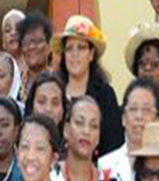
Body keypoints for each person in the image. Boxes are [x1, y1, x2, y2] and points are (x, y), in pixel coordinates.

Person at [53, 15, 124, 157]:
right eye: (69, 49)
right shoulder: (54, 91)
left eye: (81, 48)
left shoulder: (105, 94)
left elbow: (114, 145)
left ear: (91, 54)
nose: (74, 54)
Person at [99, 78, 159, 181]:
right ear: (123, 119)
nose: (139, 116)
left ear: (157, 119)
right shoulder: (104, 165)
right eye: (133, 109)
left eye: (146, 110)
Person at [17, 11, 53, 103]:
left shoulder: (59, 82)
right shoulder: (16, 83)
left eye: (37, 41)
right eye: (27, 42)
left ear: (49, 46)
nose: (31, 47)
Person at [24, 71, 68, 143]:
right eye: (41, 102)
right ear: (32, 106)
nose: (48, 109)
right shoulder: (18, 144)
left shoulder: (71, 147)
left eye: (55, 103)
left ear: (63, 110)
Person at [2, 9, 26, 82]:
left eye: (18, 29)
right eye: (8, 30)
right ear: (3, 42)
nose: (13, 33)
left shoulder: (39, 71)